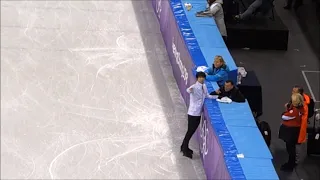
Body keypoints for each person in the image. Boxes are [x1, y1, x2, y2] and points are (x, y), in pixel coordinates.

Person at [181, 72, 217, 159]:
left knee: (191, 131)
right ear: (197, 78)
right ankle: (184, 148)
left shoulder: (204, 86)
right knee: (190, 131)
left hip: (198, 112)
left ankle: (184, 146)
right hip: (193, 113)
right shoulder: (194, 87)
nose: (202, 79)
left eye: (203, 77)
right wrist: (190, 89)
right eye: (200, 77)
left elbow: (207, 95)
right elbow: (188, 90)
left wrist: (217, 97)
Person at [279, 93, 304, 172]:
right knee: (291, 148)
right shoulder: (300, 109)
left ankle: (290, 164)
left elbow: (284, 116)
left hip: (290, 132)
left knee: (290, 149)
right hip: (293, 131)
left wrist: (286, 110)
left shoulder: (294, 111)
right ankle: (291, 163)